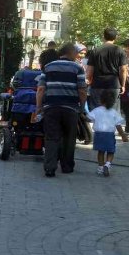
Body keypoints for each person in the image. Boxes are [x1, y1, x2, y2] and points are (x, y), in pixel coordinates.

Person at [35, 43, 88, 177]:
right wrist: (81, 107)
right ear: (71, 54)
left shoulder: (48, 67)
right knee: (69, 138)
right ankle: (67, 166)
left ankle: (50, 168)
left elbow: (41, 89)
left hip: (51, 107)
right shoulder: (78, 68)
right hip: (71, 108)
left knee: (51, 137)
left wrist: (39, 107)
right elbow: (82, 90)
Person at [86, 27, 129, 112]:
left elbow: (90, 70)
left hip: (97, 85)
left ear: (103, 37)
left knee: (97, 112)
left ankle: (98, 125)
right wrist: (123, 85)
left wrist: (88, 81)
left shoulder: (95, 51)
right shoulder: (120, 51)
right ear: (116, 37)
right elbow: (123, 70)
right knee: (113, 112)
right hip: (113, 85)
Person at [89, 89, 129, 176]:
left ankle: (100, 168)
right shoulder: (114, 112)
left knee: (101, 152)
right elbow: (118, 126)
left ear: (101, 99)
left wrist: (82, 115)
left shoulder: (96, 110)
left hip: (99, 134)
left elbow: (89, 118)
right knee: (111, 151)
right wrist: (123, 136)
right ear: (113, 101)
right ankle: (107, 164)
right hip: (109, 135)